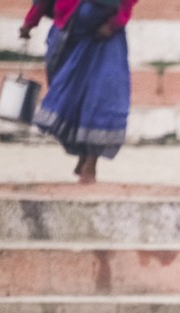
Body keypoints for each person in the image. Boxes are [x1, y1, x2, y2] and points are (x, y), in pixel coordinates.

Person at [19, 0, 138, 184]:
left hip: (105, 36)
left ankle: (90, 161)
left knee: (99, 97)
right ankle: (83, 153)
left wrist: (116, 22)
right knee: (69, 98)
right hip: (68, 37)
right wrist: (29, 22)